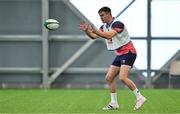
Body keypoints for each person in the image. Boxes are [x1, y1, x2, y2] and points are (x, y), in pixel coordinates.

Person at [79, 6, 146, 110]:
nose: (101, 18)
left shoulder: (117, 24)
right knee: (109, 77)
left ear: (109, 14)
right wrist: (87, 31)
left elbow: (108, 35)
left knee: (122, 77)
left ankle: (140, 97)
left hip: (129, 52)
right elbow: (93, 36)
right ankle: (114, 103)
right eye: (99, 16)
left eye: (102, 15)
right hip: (120, 54)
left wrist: (96, 31)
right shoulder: (104, 26)